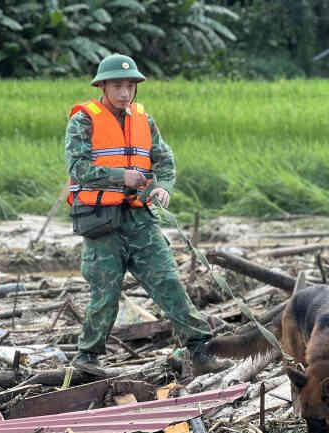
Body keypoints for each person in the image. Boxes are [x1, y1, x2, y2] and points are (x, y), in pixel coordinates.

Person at [64, 53, 232, 376]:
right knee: (105, 293)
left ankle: (199, 349)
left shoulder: (144, 120)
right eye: (117, 85)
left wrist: (163, 186)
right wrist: (120, 176)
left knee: (168, 281)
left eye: (130, 86)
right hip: (102, 221)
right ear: (102, 86)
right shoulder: (83, 120)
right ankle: (87, 359)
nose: (125, 92)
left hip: (140, 220)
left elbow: (164, 161)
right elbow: (78, 168)